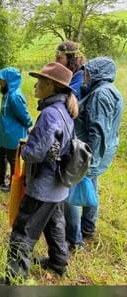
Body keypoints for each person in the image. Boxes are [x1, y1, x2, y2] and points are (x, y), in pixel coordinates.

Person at [3, 62, 77, 282]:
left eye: (39, 82)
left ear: (50, 85)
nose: (35, 86)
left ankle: (14, 279)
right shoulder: (65, 110)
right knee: (55, 224)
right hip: (58, 186)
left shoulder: (49, 114)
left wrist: (25, 148)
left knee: (22, 231)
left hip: (43, 187)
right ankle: (57, 262)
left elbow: (34, 154)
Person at [66, 57, 122, 251]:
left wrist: (86, 159)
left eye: (88, 73)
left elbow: (97, 130)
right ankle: (88, 228)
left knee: (70, 194)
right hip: (99, 153)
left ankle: (74, 239)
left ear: (99, 73)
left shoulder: (101, 95)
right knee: (91, 187)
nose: (84, 78)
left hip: (88, 153)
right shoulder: (110, 91)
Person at [0, 67, 33, 192]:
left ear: (9, 80)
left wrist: (29, 125)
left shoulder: (15, 96)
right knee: (2, 155)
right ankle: (1, 179)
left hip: (14, 134)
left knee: (13, 160)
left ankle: (13, 186)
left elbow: (24, 115)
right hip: (5, 132)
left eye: (1, 80)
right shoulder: (7, 94)